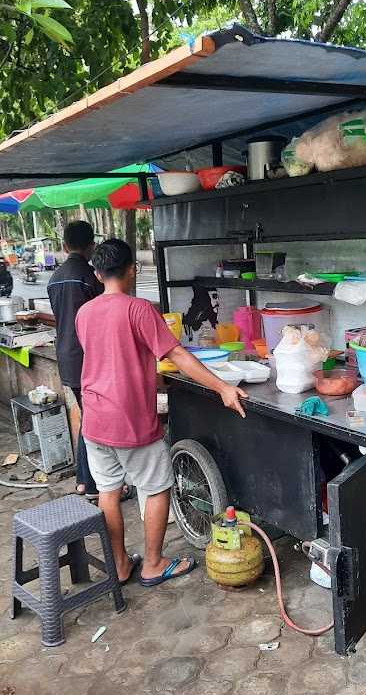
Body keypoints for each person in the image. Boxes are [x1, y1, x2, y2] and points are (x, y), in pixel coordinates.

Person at [76, 238, 247, 587]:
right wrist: (223, 387)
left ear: (96, 273)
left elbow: (112, 357)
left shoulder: (85, 312)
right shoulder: (138, 308)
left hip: (94, 419)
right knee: (157, 488)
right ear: (131, 269)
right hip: (129, 420)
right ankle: (153, 564)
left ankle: (121, 565)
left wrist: (150, 379)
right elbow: (179, 356)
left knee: (108, 490)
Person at [48, 221, 103, 498]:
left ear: (65, 246)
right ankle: (89, 481)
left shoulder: (54, 277)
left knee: (88, 416)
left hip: (66, 358)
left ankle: (85, 480)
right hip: (88, 358)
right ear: (91, 245)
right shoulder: (89, 277)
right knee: (92, 419)